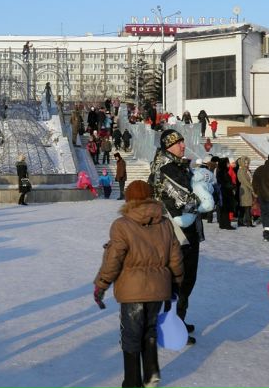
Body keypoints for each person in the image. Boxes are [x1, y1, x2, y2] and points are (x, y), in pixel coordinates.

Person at [93, 180, 184, 388]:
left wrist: (102, 283)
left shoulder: (122, 225)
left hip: (132, 290)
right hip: (158, 288)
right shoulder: (165, 223)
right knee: (149, 329)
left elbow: (113, 259)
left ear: (128, 199)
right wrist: (176, 281)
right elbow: (176, 257)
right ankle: (151, 373)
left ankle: (132, 382)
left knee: (131, 334)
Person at [149, 129, 203, 344]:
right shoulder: (166, 168)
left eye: (183, 141)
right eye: (178, 143)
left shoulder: (179, 166)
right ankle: (171, 324)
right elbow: (187, 199)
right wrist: (203, 193)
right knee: (178, 280)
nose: (183, 146)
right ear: (167, 146)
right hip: (176, 234)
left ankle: (176, 320)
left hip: (185, 232)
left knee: (185, 279)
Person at [216, 157, 236, 230]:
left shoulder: (222, 171)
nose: (228, 164)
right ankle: (227, 224)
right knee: (226, 209)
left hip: (224, 192)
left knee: (224, 210)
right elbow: (224, 183)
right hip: (225, 193)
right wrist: (232, 186)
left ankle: (223, 224)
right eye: (227, 163)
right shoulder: (223, 172)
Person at [236, 156, 255, 227]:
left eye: (247, 163)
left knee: (245, 206)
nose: (246, 164)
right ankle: (248, 222)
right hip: (244, 188)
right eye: (245, 163)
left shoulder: (246, 170)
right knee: (246, 206)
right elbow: (244, 181)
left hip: (247, 189)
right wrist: (251, 187)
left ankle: (241, 221)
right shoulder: (241, 170)